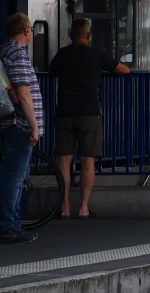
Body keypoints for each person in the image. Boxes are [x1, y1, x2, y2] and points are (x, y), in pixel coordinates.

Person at [48, 18, 131, 219]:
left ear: (70, 35)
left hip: (65, 112)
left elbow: (52, 70)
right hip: (89, 113)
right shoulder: (97, 55)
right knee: (87, 162)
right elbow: (124, 70)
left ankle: (64, 207)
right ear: (89, 35)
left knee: (63, 162)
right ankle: (84, 207)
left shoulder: (63, 54)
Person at [0, 12, 44, 244]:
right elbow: (23, 94)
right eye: (31, 29)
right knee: (14, 178)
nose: (31, 33)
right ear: (26, 31)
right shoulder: (18, 55)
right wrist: (34, 126)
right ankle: (8, 228)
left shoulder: (1, 51)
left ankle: (11, 225)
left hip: (5, 121)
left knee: (15, 176)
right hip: (18, 124)